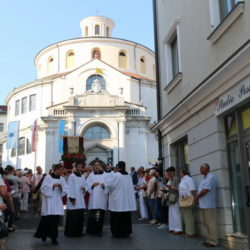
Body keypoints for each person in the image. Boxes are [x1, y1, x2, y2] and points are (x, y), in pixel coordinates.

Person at [34, 164, 67, 245]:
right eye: (60, 169)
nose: (61, 171)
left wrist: (61, 188)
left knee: (55, 222)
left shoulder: (62, 178)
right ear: (55, 170)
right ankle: (44, 235)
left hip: (57, 202)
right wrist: (52, 185)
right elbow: (43, 188)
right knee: (46, 221)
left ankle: (54, 238)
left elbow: (66, 189)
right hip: (49, 202)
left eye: (62, 169)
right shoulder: (48, 177)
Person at [105, 161, 136, 238]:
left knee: (117, 217)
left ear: (118, 167)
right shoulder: (128, 176)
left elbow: (110, 185)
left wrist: (104, 185)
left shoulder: (117, 175)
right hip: (126, 201)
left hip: (118, 201)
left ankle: (117, 232)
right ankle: (126, 231)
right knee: (125, 217)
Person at [195, 163, 218, 247]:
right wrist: (198, 199)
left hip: (209, 204)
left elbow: (205, 190)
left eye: (201, 168)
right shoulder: (203, 179)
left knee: (210, 223)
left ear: (206, 169)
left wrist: (196, 197)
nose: (200, 170)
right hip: (203, 204)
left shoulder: (210, 177)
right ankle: (208, 239)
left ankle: (213, 241)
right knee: (206, 223)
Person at [86, 160, 108, 236]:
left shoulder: (105, 175)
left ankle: (99, 230)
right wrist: (92, 185)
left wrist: (104, 185)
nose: (97, 166)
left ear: (101, 166)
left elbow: (109, 184)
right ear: (93, 167)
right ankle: (91, 230)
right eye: (95, 165)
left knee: (99, 215)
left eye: (98, 165)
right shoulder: (91, 175)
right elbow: (87, 185)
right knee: (92, 215)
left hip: (101, 198)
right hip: (93, 198)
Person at [64, 163, 86, 237]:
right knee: (73, 217)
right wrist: (72, 199)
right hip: (74, 200)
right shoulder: (72, 176)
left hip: (80, 199)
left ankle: (79, 232)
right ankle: (71, 233)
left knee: (79, 217)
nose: (80, 168)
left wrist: (84, 189)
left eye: (81, 167)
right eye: (78, 167)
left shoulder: (82, 177)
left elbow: (84, 186)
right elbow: (70, 188)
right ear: (76, 168)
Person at [178, 167, 196, 237]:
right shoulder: (182, 180)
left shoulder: (188, 179)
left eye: (180, 172)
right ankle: (188, 231)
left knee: (188, 216)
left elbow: (192, 189)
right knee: (185, 216)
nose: (179, 174)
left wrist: (195, 198)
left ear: (183, 173)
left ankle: (190, 232)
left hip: (188, 199)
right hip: (183, 200)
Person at [166, 166, 182, 234]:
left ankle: (178, 229)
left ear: (172, 172)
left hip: (175, 197)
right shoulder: (171, 179)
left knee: (176, 213)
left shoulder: (176, 178)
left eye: (169, 172)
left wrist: (170, 187)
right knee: (171, 214)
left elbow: (178, 188)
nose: (168, 174)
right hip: (171, 196)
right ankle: (172, 227)